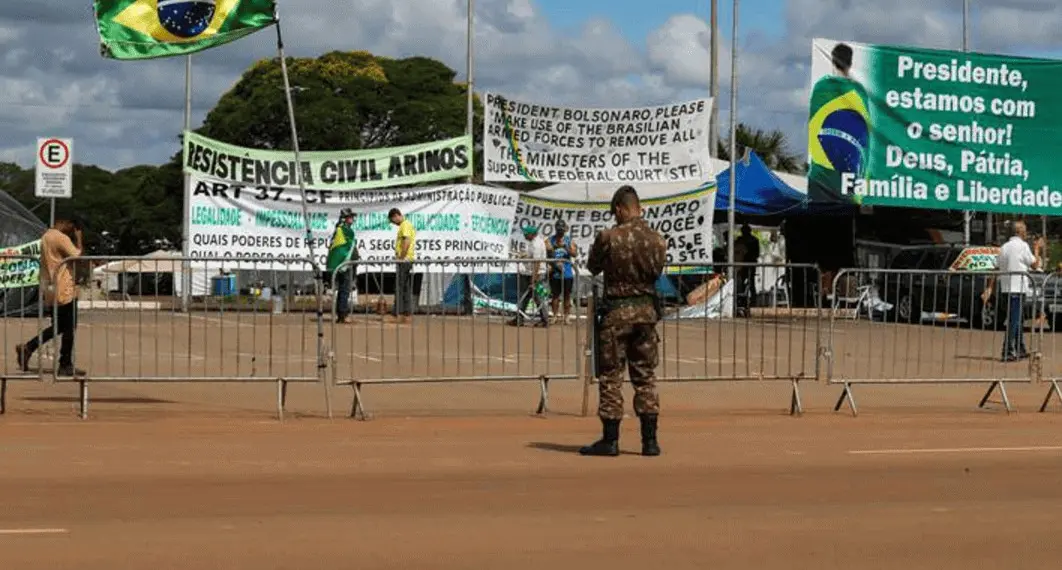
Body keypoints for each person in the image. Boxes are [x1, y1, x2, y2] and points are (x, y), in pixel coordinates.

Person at [580, 185, 667, 457]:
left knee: (611, 376)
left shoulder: (609, 237)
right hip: (646, 315)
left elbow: (593, 266)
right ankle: (650, 441)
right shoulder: (657, 239)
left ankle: (610, 440)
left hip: (616, 315)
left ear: (619, 209)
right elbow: (657, 272)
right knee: (645, 376)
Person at [15, 219, 85, 376]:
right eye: (71, 227)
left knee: (59, 326)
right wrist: (79, 237)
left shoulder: (46, 236)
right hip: (64, 288)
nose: (70, 231)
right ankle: (65, 364)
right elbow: (78, 255)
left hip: (51, 287)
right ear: (66, 223)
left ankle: (29, 347)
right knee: (69, 327)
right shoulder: (60, 237)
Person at [983, 220, 1041, 362]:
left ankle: (1020, 348)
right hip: (1018, 288)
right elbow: (1035, 265)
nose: (1026, 233)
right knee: (1014, 320)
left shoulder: (1004, 247)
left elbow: (995, 267)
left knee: (1018, 318)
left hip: (1006, 288)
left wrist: (989, 287)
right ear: (1020, 232)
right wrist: (1037, 248)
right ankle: (1007, 350)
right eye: (1025, 230)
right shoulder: (1023, 246)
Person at [510, 225, 549, 327]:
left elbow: (537, 262)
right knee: (524, 297)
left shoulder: (537, 244)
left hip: (537, 274)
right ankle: (519, 318)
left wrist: (534, 279)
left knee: (539, 298)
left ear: (532, 234)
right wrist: (523, 256)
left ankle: (545, 320)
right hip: (528, 273)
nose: (524, 235)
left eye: (526, 234)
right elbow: (530, 256)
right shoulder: (532, 242)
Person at [326, 208, 358, 324]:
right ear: (345, 218)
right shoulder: (344, 230)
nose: (352, 219)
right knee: (344, 289)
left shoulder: (339, 229)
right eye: (350, 217)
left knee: (343, 289)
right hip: (344, 262)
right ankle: (343, 314)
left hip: (342, 262)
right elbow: (346, 247)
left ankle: (341, 314)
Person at [389, 208, 417, 324]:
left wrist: (401, 257)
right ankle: (406, 312)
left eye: (393, 220)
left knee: (400, 286)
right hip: (407, 259)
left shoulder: (405, 225)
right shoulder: (407, 225)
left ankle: (398, 313)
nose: (394, 223)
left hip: (404, 260)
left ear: (396, 216)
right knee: (405, 286)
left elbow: (406, 241)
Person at [546, 219, 576, 324]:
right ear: (556, 229)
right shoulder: (550, 240)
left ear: (565, 229)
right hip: (555, 272)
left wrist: (565, 247)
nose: (560, 231)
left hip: (567, 273)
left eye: (562, 229)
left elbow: (574, 254)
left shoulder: (569, 240)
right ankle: (554, 316)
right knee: (555, 295)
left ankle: (566, 316)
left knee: (567, 296)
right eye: (558, 229)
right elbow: (547, 253)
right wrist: (554, 262)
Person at [735, 223, 761, 313]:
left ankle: (750, 302)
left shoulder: (752, 240)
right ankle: (743, 301)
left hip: (748, 264)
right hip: (742, 264)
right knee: (743, 283)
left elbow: (756, 254)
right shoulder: (741, 240)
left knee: (749, 283)